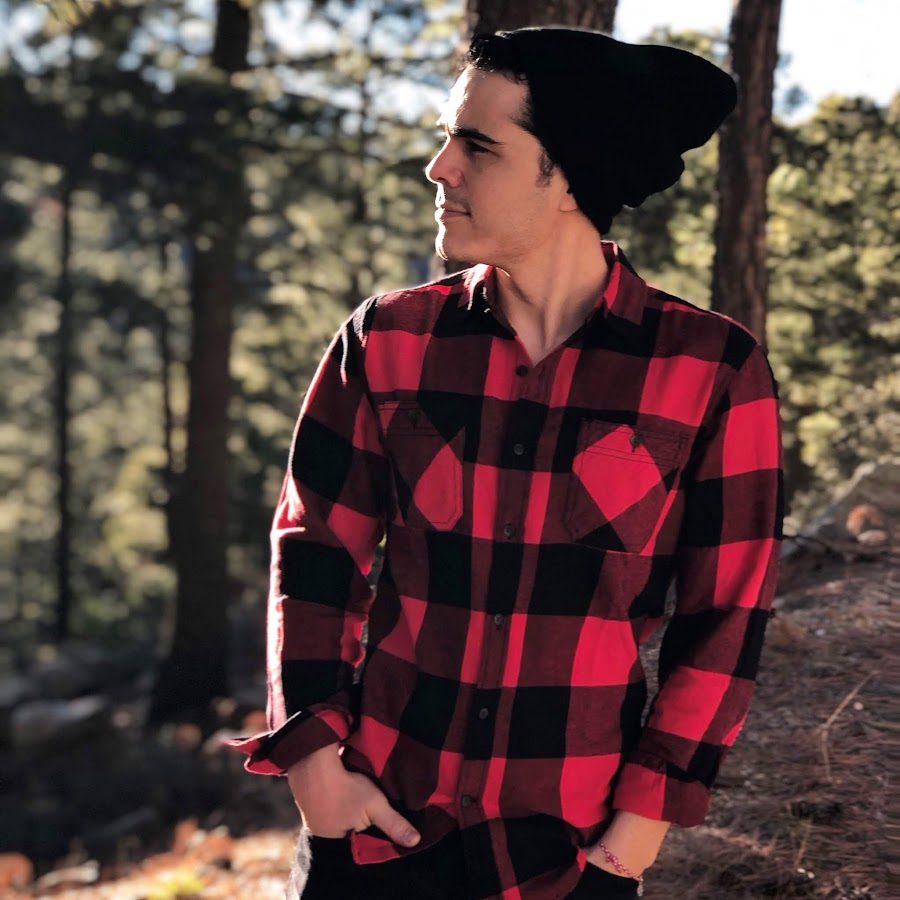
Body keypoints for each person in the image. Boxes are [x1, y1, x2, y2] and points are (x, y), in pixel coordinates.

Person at [232, 26, 783, 900]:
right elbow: (315, 556)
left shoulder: (712, 368)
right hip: (374, 838)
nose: (439, 168)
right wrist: (314, 767)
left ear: (567, 176)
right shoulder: (386, 340)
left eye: (477, 146)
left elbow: (726, 614)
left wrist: (639, 828)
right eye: (445, 139)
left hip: (569, 857)